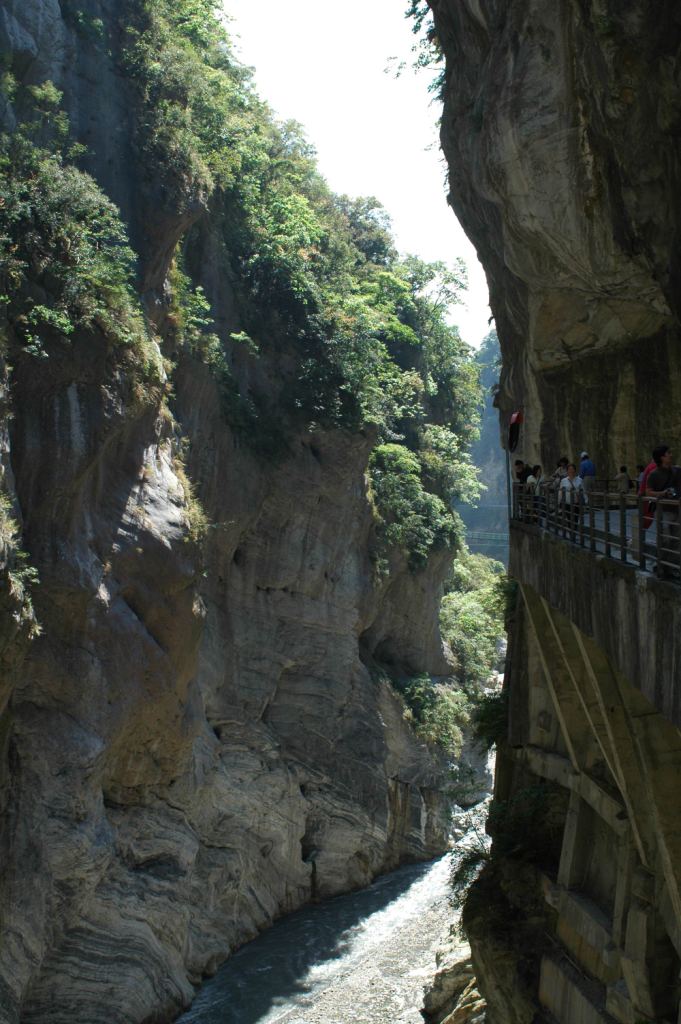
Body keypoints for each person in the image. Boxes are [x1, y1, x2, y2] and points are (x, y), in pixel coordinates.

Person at [645, 445, 681, 573]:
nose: (671, 455)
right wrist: (663, 493)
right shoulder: (654, 474)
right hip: (663, 511)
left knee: (677, 541)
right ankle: (661, 565)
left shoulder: (676, 471)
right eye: (668, 453)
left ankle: (672, 567)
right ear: (662, 457)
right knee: (665, 539)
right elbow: (648, 492)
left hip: (676, 510)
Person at [559, 463, 584, 537]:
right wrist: (559, 501)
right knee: (569, 519)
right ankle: (571, 534)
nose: (571, 471)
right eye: (569, 469)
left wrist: (585, 500)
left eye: (572, 469)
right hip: (567, 503)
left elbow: (583, 490)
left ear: (575, 470)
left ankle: (573, 533)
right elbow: (560, 491)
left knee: (575, 519)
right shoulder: (564, 481)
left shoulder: (579, 480)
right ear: (567, 471)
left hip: (576, 503)